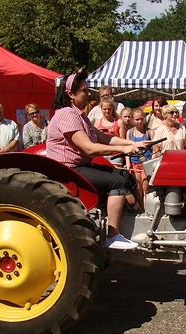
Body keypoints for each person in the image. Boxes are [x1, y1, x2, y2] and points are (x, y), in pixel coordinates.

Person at [46, 70, 146, 250]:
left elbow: (103, 138)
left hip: (80, 166)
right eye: (84, 90)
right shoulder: (66, 115)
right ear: (70, 94)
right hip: (69, 170)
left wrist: (134, 142)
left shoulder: (79, 115)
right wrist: (124, 149)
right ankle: (112, 235)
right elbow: (89, 147)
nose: (88, 93)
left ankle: (137, 219)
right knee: (118, 181)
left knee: (125, 176)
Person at [126, 108, 151, 210]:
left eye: (141, 119)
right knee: (138, 187)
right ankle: (140, 208)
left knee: (146, 187)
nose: (140, 121)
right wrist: (128, 163)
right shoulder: (130, 133)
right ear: (132, 120)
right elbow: (127, 149)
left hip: (146, 162)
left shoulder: (149, 132)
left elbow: (154, 149)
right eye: (137, 119)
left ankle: (147, 209)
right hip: (134, 162)